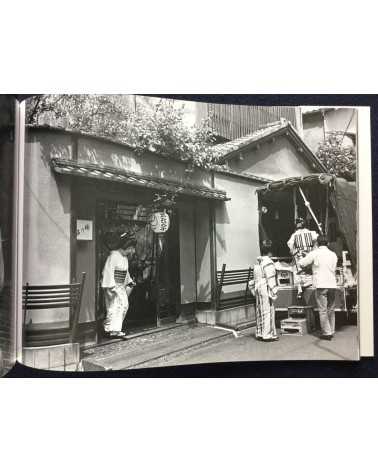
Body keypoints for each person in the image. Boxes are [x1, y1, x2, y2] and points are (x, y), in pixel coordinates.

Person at [298, 234, 338, 340]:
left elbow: (301, 263)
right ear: (327, 243)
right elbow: (333, 268)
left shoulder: (315, 253)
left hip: (321, 284)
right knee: (331, 308)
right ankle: (331, 330)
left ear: (317, 243)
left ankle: (327, 332)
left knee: (323, 310)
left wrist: (305, 256)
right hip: (332, 284)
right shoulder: (333, 254)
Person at [101, 232, 137, 339]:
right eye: (130, 248)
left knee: (124, 306)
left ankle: (116, 330)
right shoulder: (113, 256)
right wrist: (111, 286)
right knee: (113, 307)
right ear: (126, 246)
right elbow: (108, 271)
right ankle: (108, 329)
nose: (132, 251)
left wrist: (129, 281)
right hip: (113, 285)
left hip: (121, 286)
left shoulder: (125, 258)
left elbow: (125, 272)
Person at [249, 241, 279, 342]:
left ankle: (260, 333)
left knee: (259, 310)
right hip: (265, 288)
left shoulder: (259, 262)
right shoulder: (269, 262)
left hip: (258, 287)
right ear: (270, 252)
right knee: (268, 311)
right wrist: (274, 291)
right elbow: (270, 278)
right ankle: (267, 335)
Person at [287, 217, 319, 297]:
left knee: (299, 271)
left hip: (300, 256)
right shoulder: (311, 233)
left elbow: (290, 245)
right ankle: (309, 284)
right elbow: (316, 240)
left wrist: (295, 253)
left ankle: (300, 287)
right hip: (309, 255)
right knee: (311, 270)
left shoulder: (294, 235)